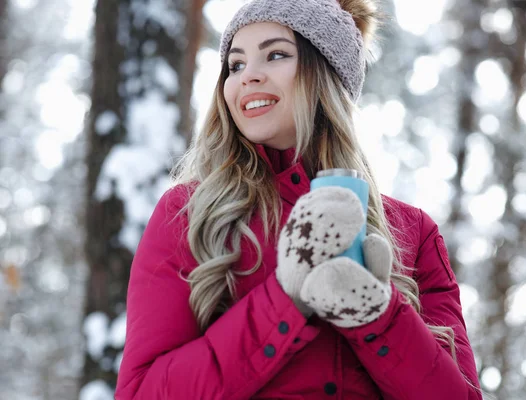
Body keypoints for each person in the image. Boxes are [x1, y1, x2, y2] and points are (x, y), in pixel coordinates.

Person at [115, 0, 483, 399]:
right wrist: (286, 298)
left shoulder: (413, 233)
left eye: (275, 54)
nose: (248, 76)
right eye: (235, 65)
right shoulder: (188, 213)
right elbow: (142, 393)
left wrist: (377, 316)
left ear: (327, 74)